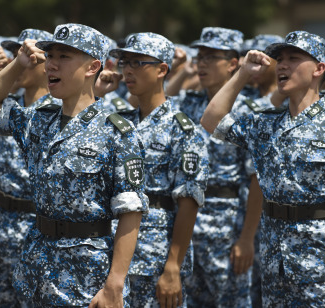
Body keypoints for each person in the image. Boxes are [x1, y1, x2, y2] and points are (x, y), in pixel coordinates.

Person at [0, 23, 148, 307]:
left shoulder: (117, 132)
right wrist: (19, 62)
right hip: (36, 265)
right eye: (49, 56)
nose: (51, 65)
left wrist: (115, 284)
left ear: (92, 67)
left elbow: (131, 210)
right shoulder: (39, 120)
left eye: (64, 57)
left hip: (85, 272)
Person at [201, 30, 325, 307]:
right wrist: (242, 74)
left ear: (319, 68)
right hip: (274, 260)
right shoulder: (266, 123)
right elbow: (212, 120)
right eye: (280, 59)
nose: (282, 65)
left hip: (321, 262)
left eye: (294, 58)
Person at [106, 32, 209, 308]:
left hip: (155, 258)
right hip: (112, 254)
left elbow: (188, 202)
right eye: (124, 62)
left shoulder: (183, 129)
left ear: (162, 69)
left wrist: (173, 266)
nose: (127, 70)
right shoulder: (119, 123)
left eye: (138, 63)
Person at [175, 27, 262, 307]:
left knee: (231, 299)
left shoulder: (249, 111)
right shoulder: (188, 103)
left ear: (233, 64)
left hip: (227, 221)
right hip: (185, 219)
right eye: (199, 56)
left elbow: (256, 178)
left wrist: (247, 238)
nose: (201, 63)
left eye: (211, 57)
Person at [0, 28, 57, 308]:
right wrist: (15, 65)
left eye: (29, 57)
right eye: (15, 55)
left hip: (35, 229)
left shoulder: (59, 109)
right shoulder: (9, 105)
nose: (20, 61)